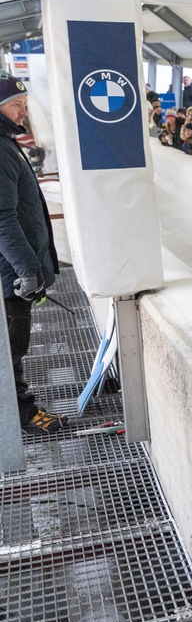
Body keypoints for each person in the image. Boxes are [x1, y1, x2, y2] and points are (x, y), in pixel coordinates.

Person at [0, 77, 63, 434]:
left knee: (12, 348)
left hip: (13, 270)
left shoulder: (7, 142)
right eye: (16, 105)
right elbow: (2, 219)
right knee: (11, 350)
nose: (23, 111)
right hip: (10, 275)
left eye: (24, 104)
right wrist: (28, 271)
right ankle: (22, 417)